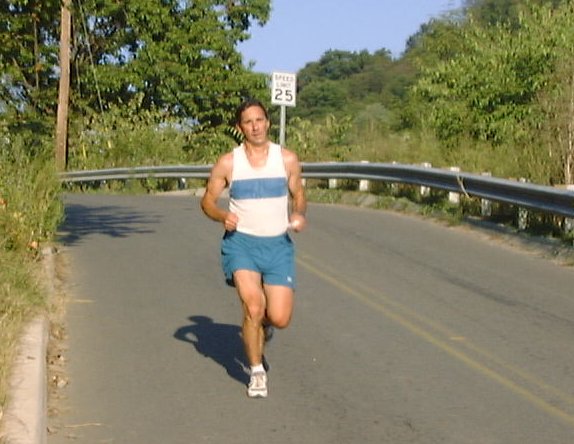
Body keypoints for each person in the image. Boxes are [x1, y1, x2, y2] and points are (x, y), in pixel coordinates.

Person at [200, 98, 307, 398]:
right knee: (253, 307)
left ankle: (263, 327)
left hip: (277, 245)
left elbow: (299, 194)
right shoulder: (229, 163)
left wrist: (299, 213)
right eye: (248, 122)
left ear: (268, 123)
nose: (255, 126)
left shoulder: (286, 159)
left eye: (259, 120)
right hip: (242, 244)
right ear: (240, 128)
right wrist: (221, 215)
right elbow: (207, 201)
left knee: (280, 318)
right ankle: (257, 372)